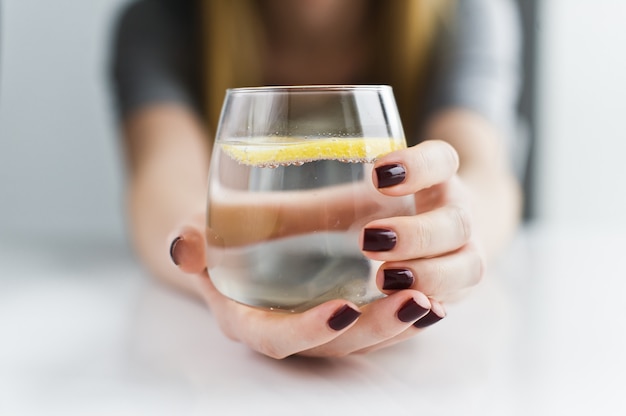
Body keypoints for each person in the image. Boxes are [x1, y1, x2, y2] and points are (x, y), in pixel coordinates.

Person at [110, 0, 523, 358]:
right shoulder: (162, 21)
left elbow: (480, 168)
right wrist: (203, 256)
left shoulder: (462, 13)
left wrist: (457, 229)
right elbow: (162, 179)